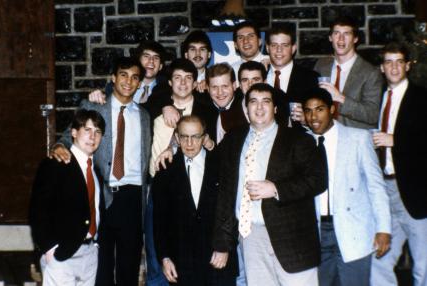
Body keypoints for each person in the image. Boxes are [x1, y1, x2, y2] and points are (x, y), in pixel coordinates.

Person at [50, 57, 151, 286]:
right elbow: (69, 135)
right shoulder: (94, 106)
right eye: (123, 75)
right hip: (100, 195)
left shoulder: (144, 116)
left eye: (135, 77)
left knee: (129, 266)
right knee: (100, 267)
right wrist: (57, 146)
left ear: (139, 84)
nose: (128, 81)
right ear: (113, 78)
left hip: (133, 198)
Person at [213, 83, 326, 286]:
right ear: (246, 109)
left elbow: (317, 180)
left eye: (266, 101)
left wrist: (276, 189)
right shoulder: (233, 140)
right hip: (251, 237)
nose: (259, 107)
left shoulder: (298, 139)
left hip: (292, 237)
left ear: (275, 108)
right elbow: (219, 183)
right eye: (253, 102)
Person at [302, 88, 391, 286]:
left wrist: (384, 228)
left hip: (353, 230)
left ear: (332, 110)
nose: (313, 116)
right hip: (316, 232)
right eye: (308, 111)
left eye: (320, 109)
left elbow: (376, 187)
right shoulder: (302, 142)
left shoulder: (358, 138)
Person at [152, 115, 237, 286]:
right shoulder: (165, 169)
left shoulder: (222, 165)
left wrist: (225, 247)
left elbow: (232, 210)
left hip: (217, 257)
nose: (189, 143)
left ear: (204, 138)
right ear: (177, 138)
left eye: (196, 137)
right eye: (184, 137)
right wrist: (165, 257)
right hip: (182, 262)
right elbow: (160, 219)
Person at [371, 42, 427, 286]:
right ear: (382, 68)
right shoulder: (379, 98)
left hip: (415, 195)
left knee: (423, 268)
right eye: (388, 62)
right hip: (385, 192)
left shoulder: (422, 98)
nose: (393, 67)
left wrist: (395, 140)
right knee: (378, 263)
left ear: (407, 65)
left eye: (398, 62)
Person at [30, 109, 106, 286]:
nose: (92, 137)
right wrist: (49, 248)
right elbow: (38, 210)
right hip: (62, 256)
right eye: (87, 130)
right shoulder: (56, 164)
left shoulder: (96, 172)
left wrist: (95, 245)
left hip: (89, 255)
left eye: (98, 132)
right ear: (73, 132)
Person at [149, 59, 216, 177]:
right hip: (154, 176)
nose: (183, 83)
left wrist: (210, 144)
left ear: (195, 84)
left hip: (191, 179)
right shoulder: (155, 105)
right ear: (170, 82)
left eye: (188, 78)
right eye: (177, 77)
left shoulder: (207, 112)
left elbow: (213, 147)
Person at [314, 16, 383, 129]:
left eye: (346, 34)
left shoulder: (370, 73)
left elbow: (373, 114)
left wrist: (340, 98)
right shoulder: (321, 65)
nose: (341, 39)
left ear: (355, 39)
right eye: (336, 33)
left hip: (355, 140)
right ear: (330, 37)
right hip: (323, 137)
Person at [265, 25, 319, 125]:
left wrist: (306, 120)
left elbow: (321, 118)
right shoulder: (259, 76)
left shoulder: (310, 78)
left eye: (284, 45)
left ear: (293, 48)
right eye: (274, 45)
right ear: (267, 48)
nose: (279, 50)